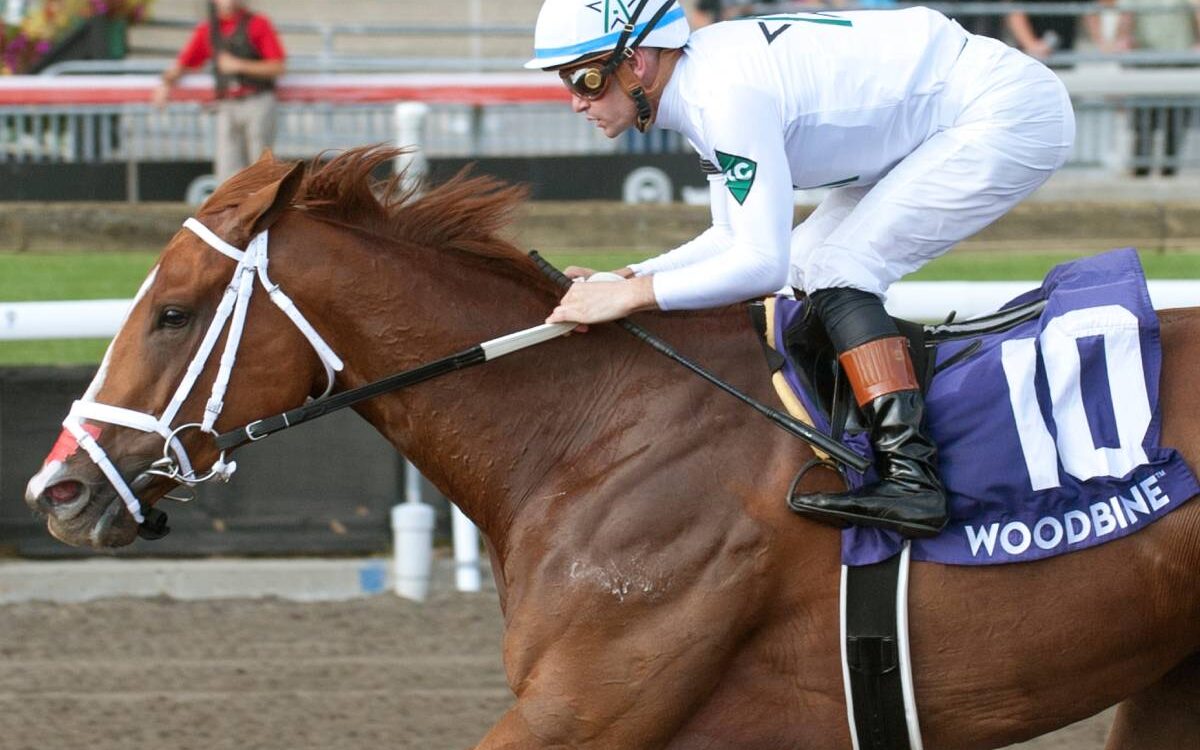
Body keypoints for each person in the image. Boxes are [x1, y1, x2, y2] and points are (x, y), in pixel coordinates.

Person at [528, 0, 1075, 538]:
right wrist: (626, 276)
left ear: (636, 62)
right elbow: (731, 238)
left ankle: (913, 479)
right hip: (937, 117)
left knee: (840, 268)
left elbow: (761, 264)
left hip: (999, 112)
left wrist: (635, 296)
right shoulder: (701, 88)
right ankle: (862, 443)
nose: (576, 103)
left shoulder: (722, 96)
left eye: (585, 80)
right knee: (811, 264)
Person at [153, 0, 286, 183]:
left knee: (261, 166)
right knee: (228, 169)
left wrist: (239, 66)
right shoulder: (208, 29)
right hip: (227, 103)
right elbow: (184, 62)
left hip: (257, 100)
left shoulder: (258, 24)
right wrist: (166, 82)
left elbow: (277, 66)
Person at [1109, 0, 1200, 176]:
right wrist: (1123, 40)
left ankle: (1169, 173)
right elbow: (1125, 20)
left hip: (1180, 63)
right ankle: (1141, 172)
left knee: (1175, 124)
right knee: (1144, 124)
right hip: (1146, 62)